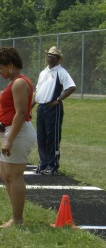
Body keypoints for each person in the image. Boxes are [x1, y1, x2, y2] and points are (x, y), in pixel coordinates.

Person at [0, 48, 36, 227]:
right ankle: (16, 216)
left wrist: (9, 139)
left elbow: (21, 113)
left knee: (15, 175)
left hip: (18, 132)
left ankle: (18, 219)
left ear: (10, 65)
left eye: (1, 68)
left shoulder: (19, 83)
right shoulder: (15, 82)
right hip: (12, 131)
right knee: (5, 175)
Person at [32, 46, 76, 175]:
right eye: (48, 55)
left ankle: (53, 165)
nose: (50, 58)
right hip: (41, 107)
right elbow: (38, 91)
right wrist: (31, 105)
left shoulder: (61, 72)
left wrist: (59, 99)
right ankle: (43, 163)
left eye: (53, 56)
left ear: (58, 59)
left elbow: (72, 87)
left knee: (52, 137)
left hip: (53, 108)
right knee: (41, 137)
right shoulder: (43, 72)